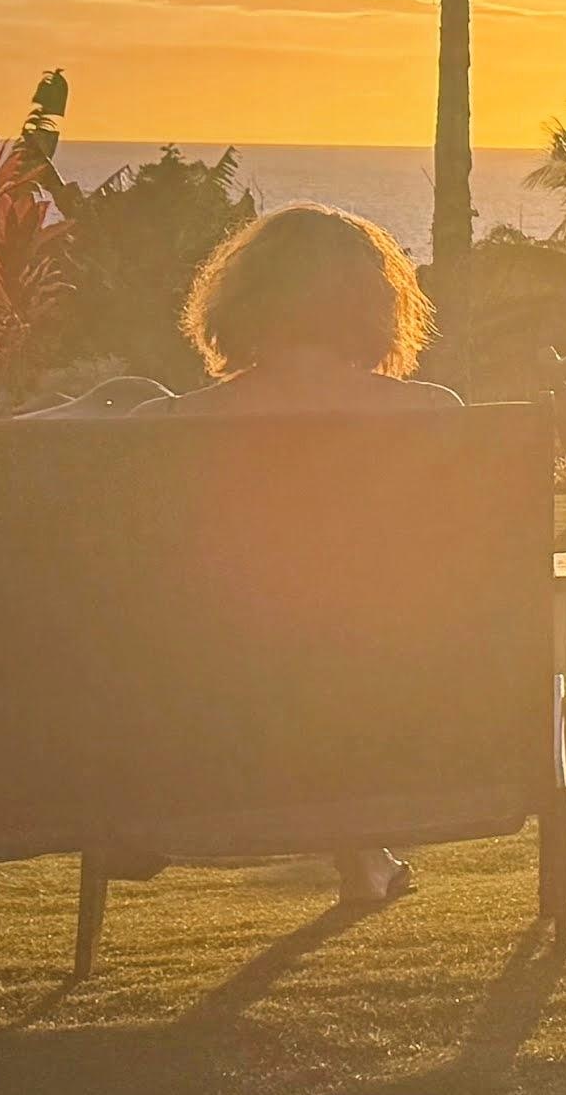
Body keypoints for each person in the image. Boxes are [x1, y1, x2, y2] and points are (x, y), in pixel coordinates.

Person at [166, 206, 460, 908]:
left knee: (303, 648)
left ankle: (364, 853)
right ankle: (365, 848)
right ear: (374, 304)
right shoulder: (434, 417)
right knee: (345, 645)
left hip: (210, 720)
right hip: (405, 714)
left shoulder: (173, 427)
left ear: (241, 301)